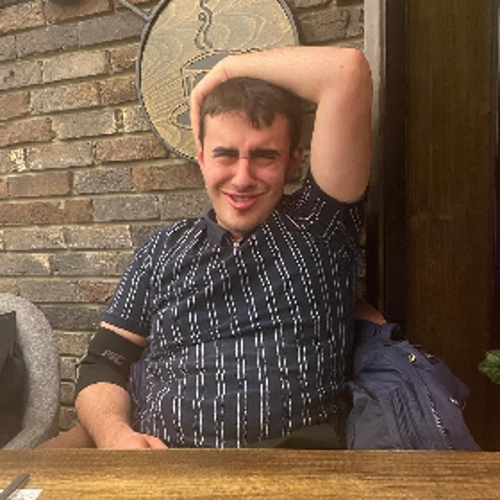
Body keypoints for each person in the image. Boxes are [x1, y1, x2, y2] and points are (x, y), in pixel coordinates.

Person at [70, 45, 373, 449]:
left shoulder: (321, 225)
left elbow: (347, 71)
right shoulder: (163, 250)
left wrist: (227, 67)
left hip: (296, 470)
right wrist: (115, 435)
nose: (242, 178)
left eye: (264, 156)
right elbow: (103, 362)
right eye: (225, 155)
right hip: (165, 469)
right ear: (202, 159)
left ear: (294, 161)